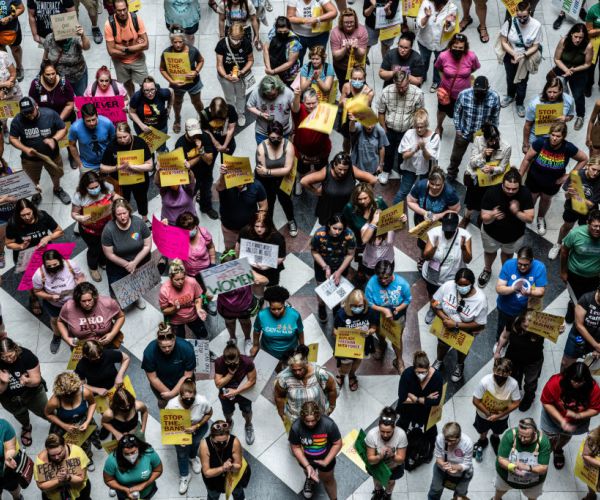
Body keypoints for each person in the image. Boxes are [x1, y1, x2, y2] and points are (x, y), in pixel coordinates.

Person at [520, 122, 588, 235]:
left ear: (563, 136)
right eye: (553, 135)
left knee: (545, 200)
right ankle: (526, 217)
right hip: (534, 178)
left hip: (553, 182)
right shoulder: (541, 142)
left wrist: (568, 176)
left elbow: (584, 159)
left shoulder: (568, 147)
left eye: (558, 136)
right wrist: (520, 175)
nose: (554, 138)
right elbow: (527, 159)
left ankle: (540, 218)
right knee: (531, 198)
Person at [5, 198, 63, 315]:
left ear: (33, 210)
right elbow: (8, 243)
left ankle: (49, 291)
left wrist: (48, 237)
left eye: (29, 213)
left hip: (44, 252)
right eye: (23, 215)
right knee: (29, 279)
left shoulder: (43, 216)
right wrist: (20, 246)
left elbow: (59, 231)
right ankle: (33, 298)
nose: (27, 217)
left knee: (49, 272)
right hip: (25, 256)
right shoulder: (13, 223)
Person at [478, 169, 534, 288]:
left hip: (514, 236)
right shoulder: (492, 192)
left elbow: (530, 218)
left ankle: (505, 273)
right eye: (507, 188)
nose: (510, 191)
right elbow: (484, 218)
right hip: (491, 234)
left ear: (519, 186)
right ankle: (487, 270)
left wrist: (517, 212)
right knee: (489, 252)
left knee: (508, 255)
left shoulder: (525, 193)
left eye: (514, 189)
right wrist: (492, 215)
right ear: (502, 183)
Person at [9, 96, 70, 205]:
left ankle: (57, 189)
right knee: (32, 179)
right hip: (30, 159)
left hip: (52, 155)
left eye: (31, 111)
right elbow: (12, 138)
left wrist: (54, 139)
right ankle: (36, 194)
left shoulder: (50, 114)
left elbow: (63, 128)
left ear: (36, 106)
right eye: (25, 113)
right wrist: (25, 149)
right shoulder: (17, 120)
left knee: (56, 174)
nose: (29, 115)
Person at [431, 267, 488, 382]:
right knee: (442, 344)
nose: (462, 287)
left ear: (472, 283)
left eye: (465, 285)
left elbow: (480, 324)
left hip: (465, 330)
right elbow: (434, 303)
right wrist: (444, 318)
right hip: (445, 324)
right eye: (459, 284)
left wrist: (456, 325)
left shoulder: (481, 300)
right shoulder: (447, 286)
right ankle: (439, 360)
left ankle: (460, 365)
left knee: (462, 349)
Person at [541, 362, 600, 469]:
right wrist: (561, 420)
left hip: (576, 422)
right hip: (552, 417)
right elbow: (546, 402)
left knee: (565, 436)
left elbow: (596, 409)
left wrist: (579, 415)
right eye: (573, 380)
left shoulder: (593, 389)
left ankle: (558, 450)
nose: (576, 384)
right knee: (548, 437)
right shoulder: (555, 382)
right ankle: (545, 451)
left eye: (580, 382)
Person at [446, 75, 500, 182]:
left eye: (482, 92)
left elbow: (495, 117)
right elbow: (456, 113)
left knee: (482, 157)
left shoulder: (494, 97)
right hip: (464, 132)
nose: (479, 94)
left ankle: (479, 177)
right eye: (476, 91)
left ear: (488, 88)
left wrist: (493, 135)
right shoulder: (464, 95)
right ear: (473, 87)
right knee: (456, 156)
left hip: (483, 135)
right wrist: (458, 129)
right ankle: (451, 173)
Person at [496, 312, 552, 412]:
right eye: (525, 326)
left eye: (531, 326)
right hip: (513, 357)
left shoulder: (541, 327)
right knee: (511, 376)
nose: (528, 329)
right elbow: (504, 336)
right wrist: (497, 351)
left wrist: (560, 329)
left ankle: (529, 398)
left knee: (530, 382)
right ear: (520, 321)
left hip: (533, 361)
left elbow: (556, 331)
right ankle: (513, 391)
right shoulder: (513, 321)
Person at [422, 212, 472, 324]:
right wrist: (434, 247)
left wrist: (464, 248)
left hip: (452, 277)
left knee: (449, 296)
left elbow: (468, 260)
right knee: (433, 295)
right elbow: (426, 256)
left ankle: (446, 310)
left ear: (456, 226)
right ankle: (433, 309)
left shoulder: (465, 235)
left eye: (451, 230)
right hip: (434, 276)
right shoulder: (434, 233)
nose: (448, 233)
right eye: (446, 230)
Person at [396, 350, 443, 470]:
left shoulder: (437, 377)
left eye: (424, 372)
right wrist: (426, 399)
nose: (421, 375)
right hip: (408, 410)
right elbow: (402, 397)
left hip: (427, 412)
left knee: (431, 432)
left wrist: (415, 398)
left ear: (429, 368)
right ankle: (399, 448)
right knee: (401, 427)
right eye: (418, 372)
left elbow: (436, 401)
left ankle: (429, 451)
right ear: (413, 368)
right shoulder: (407, 374)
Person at [32, 249, 86, 353]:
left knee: (77, 318)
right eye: (49, 266)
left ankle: (78, 334)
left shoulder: (70, 264)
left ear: (61, 260)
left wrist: (80, 283)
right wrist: (50, 297)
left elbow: (80, 276)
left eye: (55, 264)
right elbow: (37, 291)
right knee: (55, 320)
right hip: (54, 304)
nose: (52, 267)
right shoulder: (39, 274)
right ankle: (57, 336)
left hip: (73, 301)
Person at [377, 69, 425, 184]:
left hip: (407, 130)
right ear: (394, 82)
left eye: (404, 87)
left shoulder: (418, 93)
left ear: (409, 81)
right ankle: (386, 170)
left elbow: (419, 113)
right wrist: (383, 128)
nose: (402, 90)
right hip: (389, 128)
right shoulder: (386, 92)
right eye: (399, 87)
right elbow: (381, 112)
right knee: (388, 151)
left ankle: (402, 171)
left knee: (403, 153)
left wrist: (415, 131)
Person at [166, 377, 212, 495]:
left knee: (195, 444)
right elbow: (168, 423)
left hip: (198, 429)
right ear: (180, 395)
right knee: (181, 453)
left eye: (191, 398)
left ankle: (193, 457)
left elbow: (209, 413)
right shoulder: (172, 404)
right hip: (180, 431)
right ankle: (184, 476)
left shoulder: (202, 401)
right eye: (186, 398)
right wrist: (177, 438)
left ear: (195, 395)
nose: (189, 401)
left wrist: (197, 425)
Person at [71, 171, 121, 282]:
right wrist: (80, 218)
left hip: (107, 225)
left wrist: (120, 201)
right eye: (91, 188)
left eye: (96, 186)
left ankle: (103, 261)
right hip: (89, 230)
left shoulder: (107, 187)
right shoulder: (79, 196)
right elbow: (74, 214)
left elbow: (114, 196)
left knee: (106, 245)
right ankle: (93, 267)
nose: (95, 189)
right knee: (94, 249)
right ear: (85, 187)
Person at [100, 122, 153, 224]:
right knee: (122, 202)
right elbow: (102, 168)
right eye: (119, 138)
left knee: (142, 199)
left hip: (139, 180)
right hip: (121, 182)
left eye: (125, 137)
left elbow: (150, 166)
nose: (122, 140)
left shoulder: (140, 142)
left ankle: (145, 219)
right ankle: (126, 219)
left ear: (130, 133)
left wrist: (132, 167)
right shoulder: (112, 145)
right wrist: (116, 167)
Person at [303, 152, 376, 225]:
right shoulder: (326, 172)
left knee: (345, 224)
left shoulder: (352, 170)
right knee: (329, 225)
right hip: (329, 206)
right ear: (334, 165)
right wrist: (316, 191)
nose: (342, 172)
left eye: (345, 169)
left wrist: (361, 191)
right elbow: (304, 181)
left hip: (346, 205)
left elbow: (373, 180)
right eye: (340, 169)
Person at [101, 198, 152, 304]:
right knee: (117, 290)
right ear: (114, 215)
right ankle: (117, 306)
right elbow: (109, 254)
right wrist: (127, 265)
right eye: (119, 214)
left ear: (129, 211)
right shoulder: (108, 230)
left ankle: (136, 297)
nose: (122, 217)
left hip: (139, 261)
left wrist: (134, 263)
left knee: (137, 282)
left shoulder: (139, 223)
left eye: (124, 213)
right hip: (117, 265)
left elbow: (147, 245)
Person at [462, 122, 511, 229]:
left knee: (487, 202)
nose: (494, 142)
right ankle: (466, 217)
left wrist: (493, 169)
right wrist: (483, 155)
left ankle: (481, 218)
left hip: (492, 180)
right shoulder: (478, 140)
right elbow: (472, 163)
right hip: (477, 177)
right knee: (471, 202)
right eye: (490, 140)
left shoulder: (506, 147)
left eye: (496, 139)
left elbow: (502, 168)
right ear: (485, 139)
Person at [548, 158, 600, 260]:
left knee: (586, 229)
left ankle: (581, 248)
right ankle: (558, 244)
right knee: (567, 226)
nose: (595, 173)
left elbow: (590, 205)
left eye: (599, 171)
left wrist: (577, 196)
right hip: (572, 207)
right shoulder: (576, 175)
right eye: (593, 169)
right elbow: (566, 196)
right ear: (588, 166)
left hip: (588, 212)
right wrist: (569, 193)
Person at [289, 401, 342, 500]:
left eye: (313, 420)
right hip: (306, 459)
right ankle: (310, 480)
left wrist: (326, 461)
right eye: (307, 421)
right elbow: (295, 447)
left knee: (328, 480)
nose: (310, 424)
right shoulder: (296, 427)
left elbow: (337, 443)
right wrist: (307, 465)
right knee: (308, 472)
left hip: (326, 458)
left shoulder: (328, 424)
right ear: (302, 418)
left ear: (318, 416)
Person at [365, 260, 411, 372]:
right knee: (380, 333)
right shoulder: (371, 283)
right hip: (378, 314)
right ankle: (382, 345)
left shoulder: (402, 284)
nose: (383, 281)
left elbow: (407, 300)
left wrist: (398, 309)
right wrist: (384, 310)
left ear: (392, 273)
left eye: (386, 278)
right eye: (380, 278)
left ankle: (399, 360)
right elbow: (369, 302)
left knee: (396, 338)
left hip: (396, 315)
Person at [0, 337, 47, 449]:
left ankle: (57, 423)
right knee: (20, 415)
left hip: (32, 393)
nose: (9, 360)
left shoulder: (26, 356)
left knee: (46, 411)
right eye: (4, 357)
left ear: (15, 349)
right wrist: (4, 382)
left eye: (11, 355)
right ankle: (26, 427)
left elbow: (36, 381)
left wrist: (27, 381)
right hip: (10, 399)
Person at [44, 371, 98, 467]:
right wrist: (64, 425)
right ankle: (66, 459)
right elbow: (47, 414)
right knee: (63, 446)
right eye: (66, 396)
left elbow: (92, 403)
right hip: (63, 424)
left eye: (74, 393)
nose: (70, 397)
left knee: (85, 443)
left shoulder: (85, 392)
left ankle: (88, 459)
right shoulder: (55, 400)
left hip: (83, 421)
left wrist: (87, 421)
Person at [499, 1, 543, 118]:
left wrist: (523, 55)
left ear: (530, 12)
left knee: (522, 81)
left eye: (525, 17)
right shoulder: (509, 22)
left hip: (525, 56)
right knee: (510, 77)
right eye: (519, 17)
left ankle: (519, 103)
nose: (522, 19)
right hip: (510, 54)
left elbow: (535, 46)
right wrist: (513, 53)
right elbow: (503, 41)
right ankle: (510, 95)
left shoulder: (536, 25)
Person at [274, 345, 337, 424]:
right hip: (296, 418)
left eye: (300, 369)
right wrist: (281, 414)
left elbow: (332, 389)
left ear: (306, 364)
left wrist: (331, 407)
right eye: (294, 370)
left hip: (318, 416)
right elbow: (279, 396)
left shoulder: (319, 374)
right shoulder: (284, 379)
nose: (297, 372)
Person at [311, 214, 357, 322]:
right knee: (322, 289)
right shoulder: (319, 235)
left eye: (340, 229)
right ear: (329, 225)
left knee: (337, 288)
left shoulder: (349, 235)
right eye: (334, 228)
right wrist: (325, 267)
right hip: (322, 265)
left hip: (341, 265)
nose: (337, 232)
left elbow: (350, 254)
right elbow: (314, 251)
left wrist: (339, 271)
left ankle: (336, 306)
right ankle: (321, 306)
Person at [472, 357, 521, 458]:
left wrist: (499, 416)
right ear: (493, 370)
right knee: (482, 429)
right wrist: (489, 414)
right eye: (498, 373)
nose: (500, 376)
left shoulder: (513, 384)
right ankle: (483, 440)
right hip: (483, 415)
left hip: (502, 417)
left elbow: (516, 403)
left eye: (504, 374)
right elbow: (476, 401)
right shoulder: (485, 382)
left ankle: (495, 439)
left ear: (510, 373)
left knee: (497, 431)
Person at [406, 168, 461, 257]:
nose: (434, 187)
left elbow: (455, 210)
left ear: (443, 182)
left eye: (438, 185)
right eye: (432, 183)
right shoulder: (421, 186)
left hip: (440, 224)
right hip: (422, 222)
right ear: (428, 180)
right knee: (422, 242)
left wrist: (439, 216)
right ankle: (423, 256)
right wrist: (424, 212)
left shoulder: (449, 193)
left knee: (437, 243)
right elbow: (410, 201)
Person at [433, 33, 480, 138]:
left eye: (460, 48)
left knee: (463, 112)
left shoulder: (471, 56)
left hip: (464, 94)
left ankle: (462, 128)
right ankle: (439, 126)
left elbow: (474, 68)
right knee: (442, 110)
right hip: (446, 92)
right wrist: (444, 79)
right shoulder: (443, 56)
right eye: (455, 47)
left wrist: (465, 75)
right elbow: (438, 68)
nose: (457, 49)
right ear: (450, 45)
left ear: (465, 47)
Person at [160, 25, 204, 133]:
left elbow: (201, 61)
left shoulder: (192, 50)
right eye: (175, 42)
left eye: (180, 42)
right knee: (177, 103)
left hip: (193, 83)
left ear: (184, 40)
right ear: (171, 42)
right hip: (176, 85)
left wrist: (196, 71)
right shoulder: (167, 53)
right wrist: (171, 81)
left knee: (197, 102)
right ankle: (177, 119)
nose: (178, 45)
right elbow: (162, 69)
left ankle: (203, 118)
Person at [254, 121, 297, 233]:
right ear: (268, 135)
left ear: (282, 136)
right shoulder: (261, 148)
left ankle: (291, 220)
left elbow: (287, 169)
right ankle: (269, 224)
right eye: (272, 138)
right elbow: (261, 172)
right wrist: (276, 171)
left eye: (278, 138)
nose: (275, 140)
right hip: (266, 181)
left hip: (283, 180)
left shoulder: (288, 146)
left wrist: (268, 171)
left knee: (286, 201)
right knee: (269, 203)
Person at [141, 322, 196, 409]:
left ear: (174, 339)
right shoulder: (149, 352)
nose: (167, 349)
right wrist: (170, 395)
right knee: (163, 403)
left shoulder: (186, 348)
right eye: (163, 347)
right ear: (158, 342)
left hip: (184, 383)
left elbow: (187, 375)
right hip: (161, 385)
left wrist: (172, 393)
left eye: (170, 346)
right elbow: (153, 378)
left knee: (187, 403)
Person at [493, 418, 551, 499]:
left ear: (534, 433)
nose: (522, 439)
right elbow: (501, 459)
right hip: (506, 478)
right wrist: (513, 467)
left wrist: (527, 467)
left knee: (532, 497)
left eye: (526, 437)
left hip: (532, 483)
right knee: (500, 490)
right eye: (520, 435)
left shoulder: (543, 442)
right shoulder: (510, 435)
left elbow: (543, 468)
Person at [495, 244, 547, 333]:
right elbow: (499, 288)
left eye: (526, 265)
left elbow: (541, 291)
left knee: (520, 330)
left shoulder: (539, 268)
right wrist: (514, 288)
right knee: (502, 327)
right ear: (517, 259)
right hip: (505, 308)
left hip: (525, 311)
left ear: (532, 261)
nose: (522, 267)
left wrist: (529, 292)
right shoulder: (508, 265)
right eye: (520, 264)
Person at [560, 209, 600, 323]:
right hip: (574, 274)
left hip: (594, 276)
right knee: (574, 296)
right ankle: (572, 308)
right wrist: (563, 271)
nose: (598, 229)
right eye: (595, 226)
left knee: (590, 298)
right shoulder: (575, 233)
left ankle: (583, 313)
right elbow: (564, 251)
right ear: (588, 223)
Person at [57, 281, 125, 348]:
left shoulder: (107, 303)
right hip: (82, 347)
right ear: (77, 300)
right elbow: (60, 322)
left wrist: (112, 334)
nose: (87, 303)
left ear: (94, 297)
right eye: (83, 301)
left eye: (89, 300)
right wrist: (67, 338)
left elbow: (121, 317)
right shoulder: (69, 307)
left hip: (106, 344)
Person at [215, 164, 268, 250]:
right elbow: (219, 186)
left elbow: (264, 206)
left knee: (248, 249)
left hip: (249, 229)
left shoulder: (256, 185)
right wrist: (222, 175)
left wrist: (258, 222)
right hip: (229, 229)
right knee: (230, 249)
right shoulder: (225, 184)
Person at [333, 289, 378, 390]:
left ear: (364, 303)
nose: (357, 308)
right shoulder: (341, 314)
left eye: (360, 305)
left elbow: (373, 327)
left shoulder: (370, 312)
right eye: (354, 306)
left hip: (362, 344)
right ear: (349, 304)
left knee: (358, 360)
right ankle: (341, 375)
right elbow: (335, 331)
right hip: (347, 346)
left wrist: (368, 332)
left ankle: (352, 375)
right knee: (345, 365)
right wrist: (351, 332)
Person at [173, 118, 217, 220]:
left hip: (206, 172)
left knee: (206, 192)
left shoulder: (204, 137)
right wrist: (200, 156)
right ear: (186, 131)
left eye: (197, 133)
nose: (195, 136)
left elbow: (209, 160)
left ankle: (206, 208)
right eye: (193, 134)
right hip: (191, 176)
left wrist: (201, 150)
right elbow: (185, 166)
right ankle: (189, 212)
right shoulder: (180, 144)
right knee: (189, 195)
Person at [394, 108, 440, 204]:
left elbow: (428, 158)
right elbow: (404, 156)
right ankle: (394, 211)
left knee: (423, 194)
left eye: (421, 127)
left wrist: (423, 148)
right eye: (417, 127)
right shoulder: (409, 134)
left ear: (426, 125)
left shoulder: (434, 137)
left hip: (426, 170)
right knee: (403, 192)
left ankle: (420, 211)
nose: (419, 130)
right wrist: (415, 149)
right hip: (410, 167)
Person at [214, 340, 257, 444]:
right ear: (224, 359)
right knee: (227, 412)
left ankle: (248, 425)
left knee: (247, 411)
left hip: (244, 392)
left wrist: (237, 391)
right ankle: (229, 422)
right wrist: (230, 374)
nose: (232, 365)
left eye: (235, 362)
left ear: (239, 357)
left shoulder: (247, 361)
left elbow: (252, 381)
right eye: (229, 363)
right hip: (226, 393)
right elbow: (218, 384)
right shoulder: (219, 362)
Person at [104, 0, 149, 97]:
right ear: (114, 10)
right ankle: (133, 99)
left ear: (128, 7)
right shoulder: (109, 24)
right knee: (127, 83)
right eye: (119, 10)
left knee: (145, 85)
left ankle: (144, 100)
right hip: (120, 63)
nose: (122, 13)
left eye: (124, 9)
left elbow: (146, 45)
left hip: (137, 59)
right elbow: (111, 51)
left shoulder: (136, 19)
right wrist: (136, 47)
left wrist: (119, 47)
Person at [552, 23, 592, 130]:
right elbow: (557, 59)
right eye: (576, 36)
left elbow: (587, 64)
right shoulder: (563, 42)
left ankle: (580, 116)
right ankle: (560, 112)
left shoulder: (588, 46)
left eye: (581, 37)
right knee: (559, 92)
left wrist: (574, 70)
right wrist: (566, 70)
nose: (578, 40)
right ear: (571, 34)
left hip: (579, 72)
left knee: (578, 95)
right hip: (562, 69)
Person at [237, 211, 286, 295]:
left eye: (263, 226)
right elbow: (238, 246)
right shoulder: (245, 231)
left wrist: (266, 266)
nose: (259, 229)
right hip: (251, 267)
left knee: (272, 288)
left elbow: (281, 257)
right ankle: (259, 299)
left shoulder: (277, 237)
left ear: (268, 225)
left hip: (270, 270)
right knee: (255, 286)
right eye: (256, 226)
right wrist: (242, 264)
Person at [292, 87, 332, 190]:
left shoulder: (325, 111)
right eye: (308, 103)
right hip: (301, 151)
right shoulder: (299, 109)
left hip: (321, 152)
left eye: (313, 103)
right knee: (301, 169)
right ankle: (299, 181)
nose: (311, 106)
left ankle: (320, 183)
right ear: (303, 102)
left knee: (321, 169)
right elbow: (295, 107)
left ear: (318, 101)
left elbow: (326, 133)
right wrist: (296, 95)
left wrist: (318, 156)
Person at [200, 420, 251, 500]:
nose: (221, 444)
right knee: (213, 496)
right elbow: (207, 473)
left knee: (238, 493)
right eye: (218, 442)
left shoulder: (234, 441)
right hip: (214, 480)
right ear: (211, 437)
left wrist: (232, 466)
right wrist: (223, 468)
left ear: (228, 436)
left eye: (224, 442)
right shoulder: (205, 445)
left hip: (233, 477)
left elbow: (238, 465)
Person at [215, 22, 254, 126]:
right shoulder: (222, 44)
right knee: (229, 97)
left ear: (242, 36)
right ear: (229, 34)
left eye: (238, 39)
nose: (236, 42)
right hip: (225, 77)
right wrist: (225, 76)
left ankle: (240, 113)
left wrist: (242, 71)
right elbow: (219, 64)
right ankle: (231, 113)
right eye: (233, 39)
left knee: (241, 96)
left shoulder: (246, 43)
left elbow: (250, 60)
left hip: (240, 76)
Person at [523, 77, 575, 153]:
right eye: (549, 92)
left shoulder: (569, 100)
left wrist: (566, 118)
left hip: (555, 138)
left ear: (560, 91)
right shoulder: (535, 104)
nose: (551, 95)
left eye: (555, 92)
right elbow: (528, 125)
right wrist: (525, 144)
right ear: (545, 90)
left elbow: (571, 115)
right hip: (536, 137)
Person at [251, 285, 303, 361]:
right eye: (273, 309)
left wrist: (302, 346)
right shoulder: (262, 315)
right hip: (268, 352)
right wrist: (255, 345)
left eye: (279, 308)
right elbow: (256, 331)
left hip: (290, 352)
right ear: (269, 305)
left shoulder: (294, 315)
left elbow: (300, 331)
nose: (276, 312)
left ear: (284, 304)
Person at [159, 259, 208, 339]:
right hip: (176, 321)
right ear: (170, 278)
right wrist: (174, 308)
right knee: (180, 340)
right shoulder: (164, 290)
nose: (180, 282)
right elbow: (164, 310)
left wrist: (199, 308)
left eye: (182, 278)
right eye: (177, 279)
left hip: (193, 316)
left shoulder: (192, 282)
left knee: (203, 334)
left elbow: (198, 297)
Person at [103, 434, 163, 500]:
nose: (130, 456)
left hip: (147, 492)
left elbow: (158, 470)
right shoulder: (112, 460)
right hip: (124, 495)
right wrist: (125, 489)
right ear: (121, 452)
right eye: (126, 454)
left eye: (133, 452)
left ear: (139, 448)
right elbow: (109, 480)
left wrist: (143, 485)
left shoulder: (149, 453)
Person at [416, 0, 458, 92]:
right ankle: (422, 77)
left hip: (441, 43)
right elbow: (419, 24)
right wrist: (427, 17)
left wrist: (448, 23)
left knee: (439, 62)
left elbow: (451, 28)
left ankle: (436, 81)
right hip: (425, 41)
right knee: (423, 60)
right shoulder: (426, 3)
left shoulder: (452, 7)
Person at [34, 433, 91, 500]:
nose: (57, 457)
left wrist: (68, 477)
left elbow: (81, 478)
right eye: (52, 455)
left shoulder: (77, 452)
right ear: (47, 450)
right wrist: (59, 480)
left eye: (59, 453)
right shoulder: (41, 461)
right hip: (54, 496)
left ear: (64, 445)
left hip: (79, 492)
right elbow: (41, 486)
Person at [365, 407, 407, 499]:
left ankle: (387, 494)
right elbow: (370, 460)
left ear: (394, 427)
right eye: (382, 431)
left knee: (390, 482)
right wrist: (380, 456)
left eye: (388, 432)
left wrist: (392, 455)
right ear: (378, 426)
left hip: (394, 467)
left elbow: (400, 460)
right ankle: (378, 491)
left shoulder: (401, 435)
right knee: (377, 478)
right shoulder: (372, 435)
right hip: (377, 465)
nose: (385, 435)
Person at [427, 422, 473, 500]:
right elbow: (438, 455)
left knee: (460, 495)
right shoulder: (440, 438)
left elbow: (467, 464)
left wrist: (456, 467)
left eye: (452, 441)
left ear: (459, 437)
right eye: (446, 440)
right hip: (441, 470)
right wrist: (442, 464)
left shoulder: (467, 443)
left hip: (462, 473)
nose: (448, 443)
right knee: (435, 489)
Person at [42, 24, 90, 96]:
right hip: (60, 77)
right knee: (65, 96)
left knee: (81, 95)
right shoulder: (49, 38)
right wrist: (44, 68)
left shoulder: (74, 37)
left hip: (78, 76)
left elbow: (86, 47)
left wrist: (82, 35)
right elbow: (46, 54)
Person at [68, 103, 116, 173]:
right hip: (87, 165)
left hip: (107, 162)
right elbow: (72, 145)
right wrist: (80, 164)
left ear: (97, 115)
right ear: (83, 118)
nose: (92, 123)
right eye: (88, 121)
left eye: (93, 119)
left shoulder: (107, 123)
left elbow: (114, 141)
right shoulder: (75, 128)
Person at [286, 0, 338, 64]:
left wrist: (317, 19)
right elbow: (289, 17)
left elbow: (334, 12)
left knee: (318, 61)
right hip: (298, 36)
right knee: (296, 61)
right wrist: (304, 20)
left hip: (319, 36)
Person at [247, 75, 294, 143]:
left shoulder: (287, 92)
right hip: (262, 133)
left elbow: (294, 110)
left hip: (283, 132)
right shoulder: (257, 92)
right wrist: (261, 114)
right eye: (267, 95)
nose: (270, 97)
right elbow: (250, 106)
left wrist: (293, 126)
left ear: (278, 89)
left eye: (273, 95)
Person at [562, 285, 600, 370]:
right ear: (598, 291)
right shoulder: (586, 299)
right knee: (566, 363)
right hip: (578, 337)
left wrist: (598, 348)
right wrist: (596, 345)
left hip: (597, 339)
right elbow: (579, 325)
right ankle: (562, 377)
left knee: (589, 367)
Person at [329, 8, 368, 85]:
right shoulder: (335, 32)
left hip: (358, 66)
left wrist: (356, 49)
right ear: (341, 22)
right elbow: (336, 56)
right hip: (341, 67)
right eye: (346, 22)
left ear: (355, 21)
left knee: (360, 85)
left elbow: (362, 54)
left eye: (351, 22)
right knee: (343, 85)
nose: (349, 24)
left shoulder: (362, 30)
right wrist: (345, 48)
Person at [347, 97, 386, 173]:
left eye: (372, 124)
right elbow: (352, 129)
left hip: (372, 166)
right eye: (367, 124)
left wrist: (381, 165)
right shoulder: (359, 126)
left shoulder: (380, 130)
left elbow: (381, 148)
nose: (369, 127)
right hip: (357, 165)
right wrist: (352, 121)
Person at [129, 76, 173, 141]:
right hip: (142, 128)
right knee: (144, 144)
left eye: (152, 89)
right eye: (146, 90)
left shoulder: (162, 93)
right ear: (142, 90)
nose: (150, 93)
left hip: (161, 126)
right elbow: (132, 112)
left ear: (156, 89)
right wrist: (141, 125)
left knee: (161, 145)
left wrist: (169, 107)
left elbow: (171, 91)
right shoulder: (137, 97)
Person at [263, 16, 302, 87]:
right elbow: (266, 49)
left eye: (285, 31)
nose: (282, 33)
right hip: (273, 69)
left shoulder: (294, 41)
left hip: (288, 74)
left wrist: (273, 71)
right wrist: (269, 68)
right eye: (280, 32)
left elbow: (290, 63)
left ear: (289, 28)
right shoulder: (273, 32)